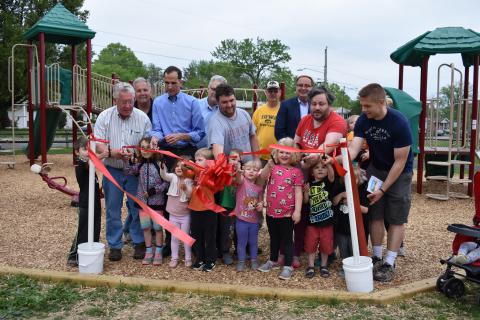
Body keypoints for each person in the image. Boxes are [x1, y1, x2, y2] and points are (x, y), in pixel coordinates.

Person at [348, 83, 414, 282]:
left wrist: (384, 189)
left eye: (367, 106)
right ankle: (376, 257)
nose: (363, 110)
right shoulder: (363, 120)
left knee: (396, 218)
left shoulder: (399, 122)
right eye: (362, 105)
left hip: (399, 172)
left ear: (380, 102)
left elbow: (400, 160)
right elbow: (353, 149)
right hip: (376, 169)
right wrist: (338, 159)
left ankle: (389, 261)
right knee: (375, 214)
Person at [150, 66, 205, 258]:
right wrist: (156, 138)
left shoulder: (192, 103)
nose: (170, 86)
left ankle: (195, 242)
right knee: (168, 196)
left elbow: (200, 132)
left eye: (174, 82)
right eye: (166, 82)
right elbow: (156, 128)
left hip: (188, 153)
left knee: (191, 196)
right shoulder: (157, 102)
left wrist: (183, 135)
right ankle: (169, 241)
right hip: (167, 152)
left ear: (181, 82)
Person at [94, 82, 152, 262]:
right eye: (123, 102)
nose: (128, 106)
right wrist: (113, 152)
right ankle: (115, 245)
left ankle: (139, 242)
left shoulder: (142, 118)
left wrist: (140, 152)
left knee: (138, 208)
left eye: (130, 101)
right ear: (115, 100)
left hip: (135, 171)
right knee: (112, 209)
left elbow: (148, 142)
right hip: (113, 170)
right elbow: (98, 144)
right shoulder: (104, 117)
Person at [292, 87, 347, 268]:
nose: (317, 107)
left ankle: (329, 253)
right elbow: (296, 143)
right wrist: (298, 157)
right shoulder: (305, 120)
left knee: (330, 214)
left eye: (321, 104)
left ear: (329, 105)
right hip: (307, 175)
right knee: (306, 213)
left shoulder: (337, 121)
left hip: (331, 177)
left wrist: (309, 159)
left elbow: (325, 148)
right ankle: (303, 248)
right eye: (313, 103)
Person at [257, 138, 303, 280]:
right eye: (281, 152)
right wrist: (268, 165)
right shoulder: (272, 168)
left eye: (288, 153)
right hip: (271, 211)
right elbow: (262, 178)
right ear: (276, 153)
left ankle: (288, 265)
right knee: (274, 237)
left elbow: (298, 192)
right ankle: (272, 260)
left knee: (287, 239)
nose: (284, 155)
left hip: (287, 213)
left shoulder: (296, 172)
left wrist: (298, 211)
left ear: (293, 155)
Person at [124, 137, 169, 266]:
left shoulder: (160, 164)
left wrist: (154, 191)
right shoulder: (140, 165)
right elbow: (127, 172)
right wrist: (128, 161)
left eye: (148, 147)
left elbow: (166, 182)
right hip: (142, 202)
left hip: (157, 202)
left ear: (154, 148)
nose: (145, 150)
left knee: (158, 228)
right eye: (142, 147)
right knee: (145, 227)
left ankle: (159, 251)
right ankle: (149, 251)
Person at [124, 77, 155, 243]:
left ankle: (149, 232)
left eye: (145, 90)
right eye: (139, 90)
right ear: (134, 93)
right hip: (136, 162)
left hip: (153, 160)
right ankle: (136, 233)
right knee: (135, 200)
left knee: (154, 197)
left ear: (150, 91)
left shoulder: (157, 108)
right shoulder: (129, 108)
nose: (142, 93)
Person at [66, 136, 103, 267]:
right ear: (77, 152)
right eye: (84, 149)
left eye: (89, 149)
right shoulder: (81, 164)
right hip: (86, 203)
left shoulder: (89, 164)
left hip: (95, 203)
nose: (87, 151)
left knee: (95, 228)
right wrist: (103, 154)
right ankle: (74, 254)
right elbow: (89, 164)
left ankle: (90, 252)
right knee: (83, 230)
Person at [333, 166, 370, 277]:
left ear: (359, 180)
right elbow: (334, 203)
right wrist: (341, 195)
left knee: (355, 249)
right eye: (347, 178)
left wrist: (352, 203)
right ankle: (346, 268)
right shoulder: (340, 190)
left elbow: (366, 209)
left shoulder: (361, 192)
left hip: (357, 229)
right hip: (341, 228)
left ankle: (357, 268)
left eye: (354, 178)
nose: (351, 181)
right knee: (343, 250)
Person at [208, 83, 259, 162]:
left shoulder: (244, 113)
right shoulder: (216, 122)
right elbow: (218, 154)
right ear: (217, 102)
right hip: (232, 170)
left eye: (231, 100)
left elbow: (253, 136)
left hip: (250, 167)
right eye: (224, 102)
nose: (229, 105)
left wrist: (256, 159)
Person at [303, 159, 336, 278]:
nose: (321, 169)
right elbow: (306, 201)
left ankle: (324, 266)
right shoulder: (309, 184)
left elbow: (332, 176)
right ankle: (310, 266)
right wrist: (306, 192)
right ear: (312, 172)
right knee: (311, 245)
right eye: (317, 167)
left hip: (327, 222)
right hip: (312, 222)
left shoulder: (328, 182)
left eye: (323, 167)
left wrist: (328, 163)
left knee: (325, 245)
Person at [160, 159, 194, 268]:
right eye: (177, 166)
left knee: (185, 237)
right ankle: (174, 258)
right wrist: (162, 168)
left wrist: (186, 189)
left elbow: (190, 195)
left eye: (183, 166)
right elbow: (164, 175)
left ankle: (188, 258)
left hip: (185, 215)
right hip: (173, 215)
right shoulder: (173, 177)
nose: (179, 168)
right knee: (174, 238)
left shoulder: (189, 181)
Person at [188, 148, 218, 272]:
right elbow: (185, 172)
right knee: (196, 236)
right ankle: (200, 259)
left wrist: (192, 166)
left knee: (209, 237)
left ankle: (211, 260)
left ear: (209, 162)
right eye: (195, 160)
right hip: (194, 209)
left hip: (208, 210)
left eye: (200, 160)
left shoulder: (210, 173)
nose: (196, 162)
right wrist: (185, 165)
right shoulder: (194, 172)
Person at [232, 159, 264, 271]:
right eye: (248, 169)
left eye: (255, 170)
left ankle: (254, 260)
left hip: (254, 220)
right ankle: (241, 261)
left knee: (253, 242)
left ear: (259, 173)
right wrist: (238, 171)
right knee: (241, 242)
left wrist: (261, 205)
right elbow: (238, 179)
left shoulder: (259, 187)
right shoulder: (242, 182)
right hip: (241, 219)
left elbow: (260, 201)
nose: (251, 172)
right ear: (244, 171)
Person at [274, 75, 314, 140]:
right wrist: (292, 145)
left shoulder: (317, 106)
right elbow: (279, 132)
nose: (303, 88)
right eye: (300, 85)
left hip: (312, 148)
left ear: (312, 88)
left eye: (307, 86)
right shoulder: (286, 105)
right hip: (290, 148)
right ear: (296, 87)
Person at [252, 80, 281, 164]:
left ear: (279, 92)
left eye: (275, 91)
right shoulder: (258, 111)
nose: (272, 93)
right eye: (270, 91)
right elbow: (252, 133)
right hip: (261, 157)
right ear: (266, 92)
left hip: (279, 157)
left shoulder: (284, 110)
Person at [197, 75, 228, 148]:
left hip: (218, 151)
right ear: (208, 89)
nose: (215, 92)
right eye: (213, 89)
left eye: (219, 90)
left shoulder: (227, 109)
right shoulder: (196, 105)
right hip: (195, 152)